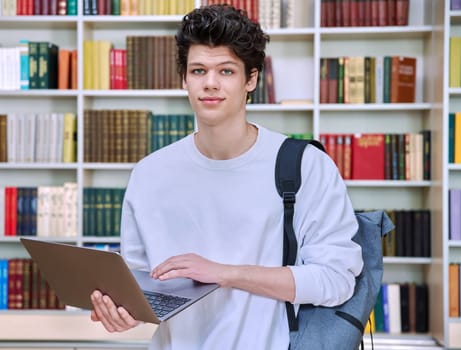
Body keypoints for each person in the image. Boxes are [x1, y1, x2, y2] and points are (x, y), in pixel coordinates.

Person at [90, 4, 363, 349]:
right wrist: (121, 312)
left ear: (251, 79)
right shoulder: (149, 174)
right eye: (199, 70)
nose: (210, 84)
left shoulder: (305, 166)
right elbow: (142, 287)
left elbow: (336, 279)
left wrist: (225, 273)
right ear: (184, 79)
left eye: (226, 71)